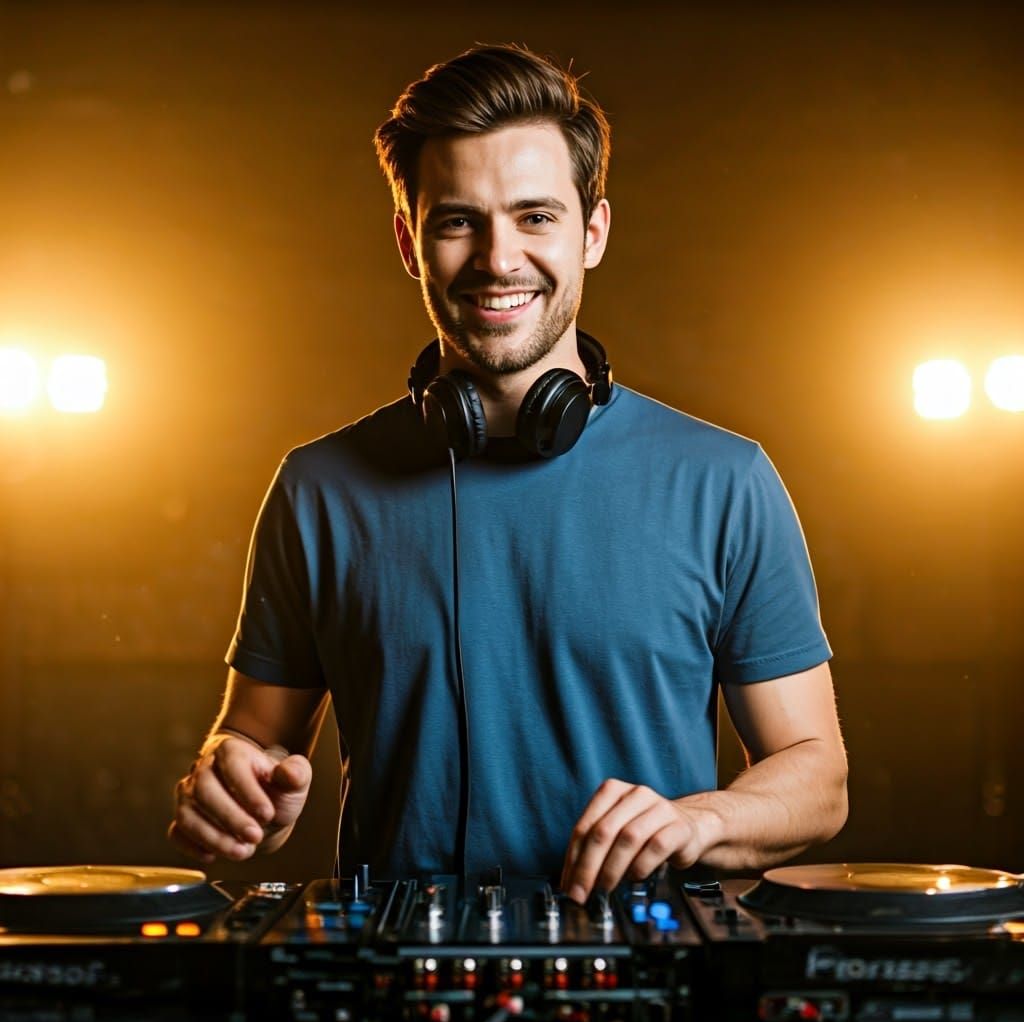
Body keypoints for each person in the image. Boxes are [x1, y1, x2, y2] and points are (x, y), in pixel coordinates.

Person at [168, 43, 847, 904]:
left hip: (647, 977)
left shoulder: (726, 481)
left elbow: (816, 776)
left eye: (535, 217)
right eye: (458, 221)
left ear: (592, 232)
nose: (498, 258)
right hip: (396, 988)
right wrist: (231, 783)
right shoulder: (319, 489)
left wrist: (701, 820)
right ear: (409, 242)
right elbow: (250, 742)